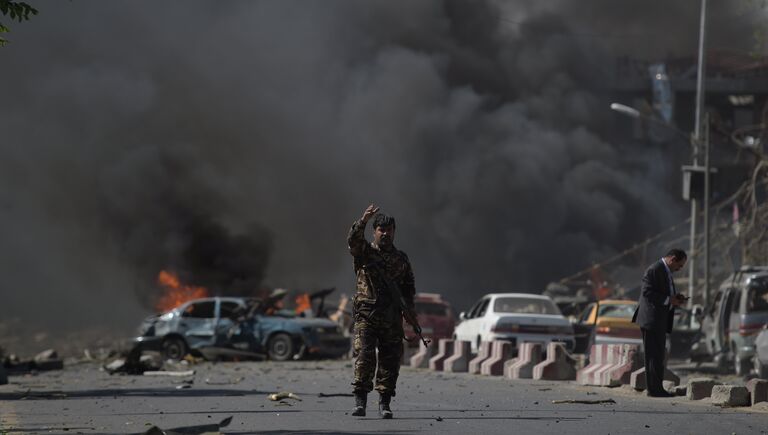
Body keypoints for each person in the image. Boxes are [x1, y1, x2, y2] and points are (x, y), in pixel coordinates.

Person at [347, 204, 416, 419]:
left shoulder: (401, 259)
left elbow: (408, 287)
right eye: (381, 230)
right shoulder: (365, 253)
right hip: (366, 315)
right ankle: (360, 402)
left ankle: (385, 404)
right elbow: (353, 241)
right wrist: (363, 220)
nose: (385, 233)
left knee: (390, 361)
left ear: (394, 231)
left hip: (390, 317)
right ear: (374, 231)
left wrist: (409, 310)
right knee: (365, 357)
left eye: (389, 230)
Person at [632, 248, 688, 397]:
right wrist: (669, 299)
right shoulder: (655, 269)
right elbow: (647, 292)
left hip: (659, 320)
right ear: (672, 259)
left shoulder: (666, 272)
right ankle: (653, 390)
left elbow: (663, 293)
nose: (679, 269)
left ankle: (657, 388)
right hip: (651, 319)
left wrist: (675, 298)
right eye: (680, 265)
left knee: (658, 355)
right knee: (652, 355)